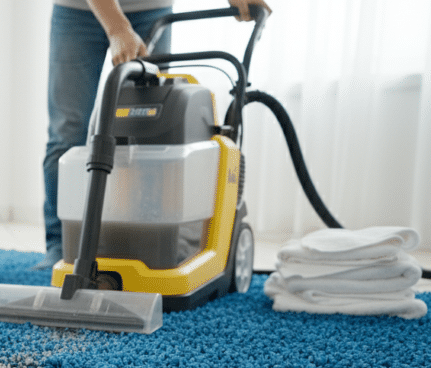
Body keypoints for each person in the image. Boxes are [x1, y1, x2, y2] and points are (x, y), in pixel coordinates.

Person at [37, 0, 272, 270]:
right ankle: (61, 246)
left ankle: (144, 240)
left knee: (151, 129)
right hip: (77, 11)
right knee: (68, 129)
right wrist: (117, 28)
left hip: (151, 9)